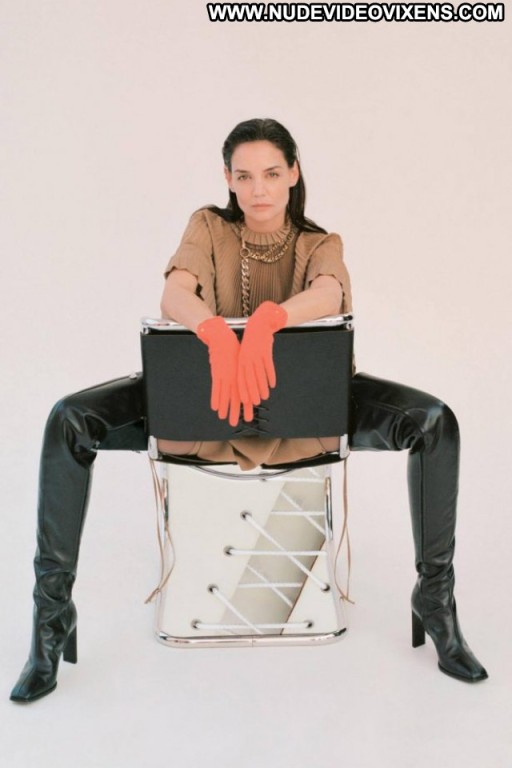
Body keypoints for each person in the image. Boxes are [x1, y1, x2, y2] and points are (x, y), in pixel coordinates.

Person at [10, 118, 487, 704]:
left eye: (271, 173)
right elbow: (175, 292)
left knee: (435, 422)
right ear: (228, 179)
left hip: (306, 407)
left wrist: (267, 320)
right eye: (244, 176)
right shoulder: (208, 227)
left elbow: (329, 293)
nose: (258, 189)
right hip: (205, 401)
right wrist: (214, 331)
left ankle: (435, 600)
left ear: (293, 174)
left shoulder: (320, 243)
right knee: (68, 418)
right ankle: (51, 618)